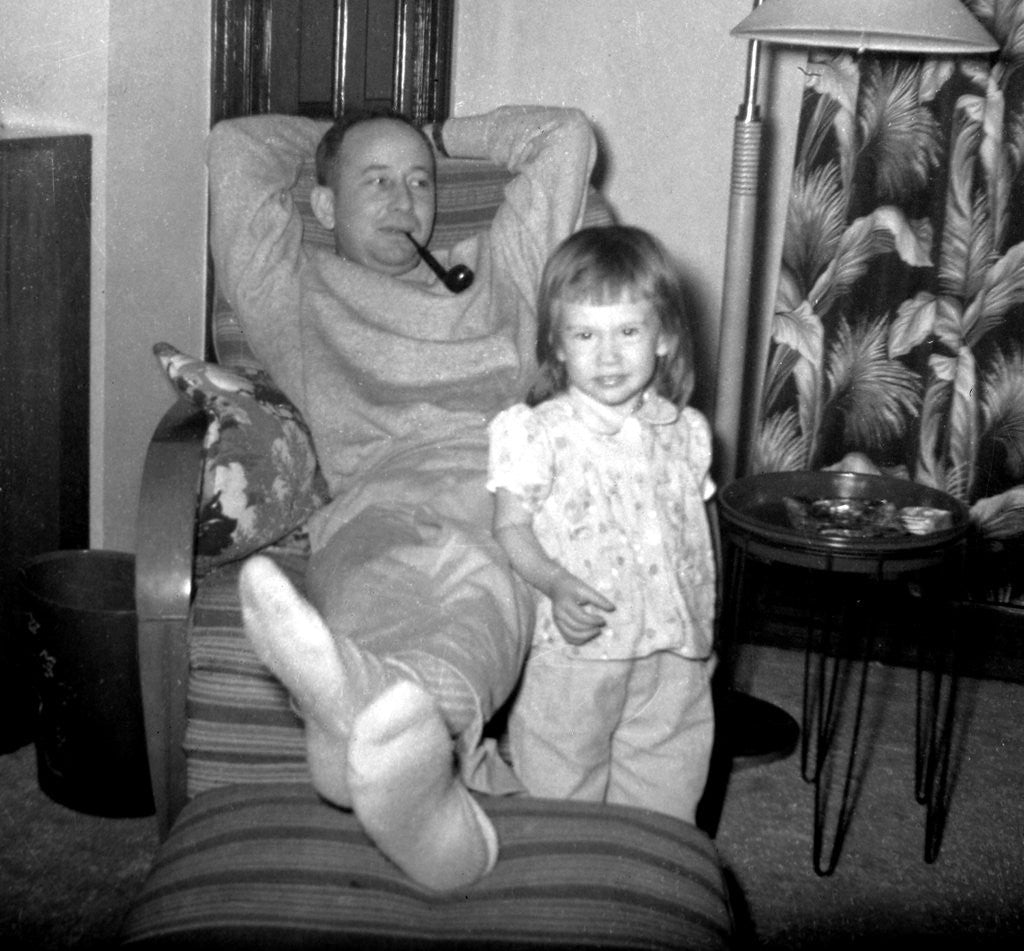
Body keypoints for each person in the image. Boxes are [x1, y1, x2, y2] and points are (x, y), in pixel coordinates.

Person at [205, 105, 598, 892]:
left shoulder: (499, 270)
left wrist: (438, 136)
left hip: (497, 488)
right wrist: (344, 138)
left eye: (418, 183)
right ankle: (397, 748)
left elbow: (566, 140)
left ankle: (370, 730)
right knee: (366, 583)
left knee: (478, 583)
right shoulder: (292, 289)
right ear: (325, 206)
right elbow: (233, 147)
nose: (403, 199)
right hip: (372, 499)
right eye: (375, 182)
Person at [487, 225, 717, 824]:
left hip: (673, 650)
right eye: (585, 334)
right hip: (577, 654)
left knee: (668, 787)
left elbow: (698, 525)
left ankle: (648, 883)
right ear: (557, 345)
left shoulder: (687, 431)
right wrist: (556, 583)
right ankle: (567, 891)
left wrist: (706, 615)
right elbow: (511, 527)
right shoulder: (537, 432)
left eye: (629, 332)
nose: (608, 355)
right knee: (563, 793)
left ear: (664, 336)